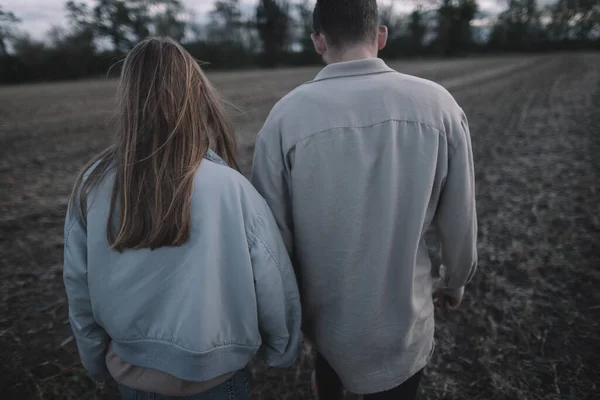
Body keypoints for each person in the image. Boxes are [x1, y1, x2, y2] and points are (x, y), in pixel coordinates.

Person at [251, 1, 478, 399]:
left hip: (326, 325)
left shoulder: (285, 117)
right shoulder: (439, 106)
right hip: (404, 329)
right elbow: (460, 221)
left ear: (318, 41)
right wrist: (454, 281)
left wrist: (283, 319)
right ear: (381, 36)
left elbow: (271, 239)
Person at [63, 37, 302, 400]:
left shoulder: (92, 185)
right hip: (219, 381)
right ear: (196, 96)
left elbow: (78, 287)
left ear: (128, 99)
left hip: (132, 379)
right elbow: (272, 279)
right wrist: (282, 350)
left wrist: (95, 362)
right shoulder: (230, 188)